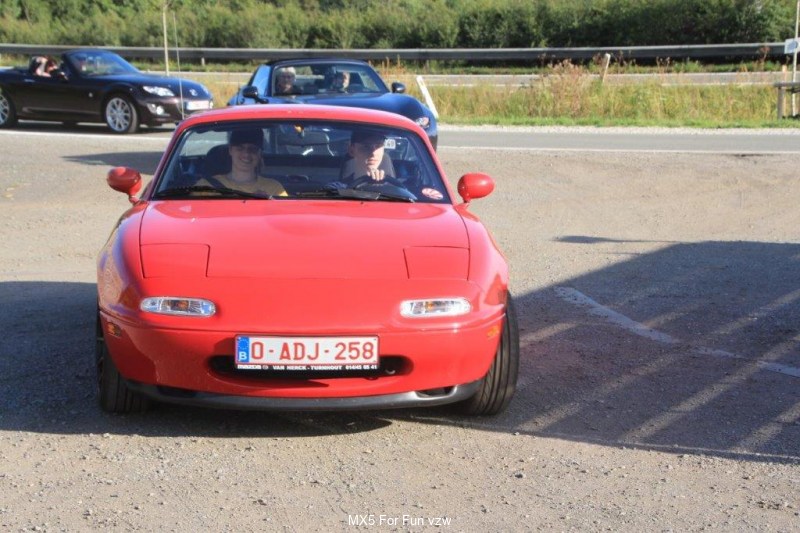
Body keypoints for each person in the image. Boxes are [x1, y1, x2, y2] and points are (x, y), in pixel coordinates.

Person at [204, 128, 287, 197]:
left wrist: (268, 204)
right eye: (240, 148)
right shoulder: (207, 186)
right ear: (230, 150)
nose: (246, 154)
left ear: (259, 154)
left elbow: (286, 211)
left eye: (253, 149)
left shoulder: (273, 188)